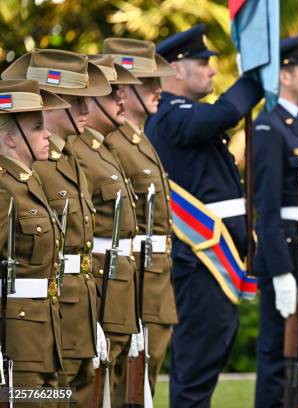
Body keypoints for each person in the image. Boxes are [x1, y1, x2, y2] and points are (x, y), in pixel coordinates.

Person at [144, 23, 263, 407]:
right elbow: (222, 115)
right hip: (198, 264)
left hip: (212, 265)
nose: (212, 70)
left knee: (205, 366)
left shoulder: (185, 114)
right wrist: (254, 81)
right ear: (176, 69)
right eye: (203, 62)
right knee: (194, 373)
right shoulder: (168, 115)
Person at [2, 48, 112, 407]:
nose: (86, 110)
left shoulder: (42, 170)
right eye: (36, 127)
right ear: (9, 138)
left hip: (52, 328)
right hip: (22, 337)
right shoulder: (9, 183)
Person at [252, 33, 298, 408]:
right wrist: (280, 272)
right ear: (283, 75)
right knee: (276, 355)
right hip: (285, 254)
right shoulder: (270, 126)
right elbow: (265, 209)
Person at [101, 37, 178, 394]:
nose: (158, 89)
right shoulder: (113, 142)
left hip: (155, 275)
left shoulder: (138, 139)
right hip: (136, 276)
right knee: (125, 386)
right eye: (148, 82)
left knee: (142, 383)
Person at [69, 54, 141, 406]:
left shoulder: (101, 150)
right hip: (97, 281)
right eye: (113, 93)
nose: (121, 100)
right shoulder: (76, 150)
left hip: (119, 283)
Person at [0, 79, 69, 400]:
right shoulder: (3, 189)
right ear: (10, 138)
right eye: (37, 127)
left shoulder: (30, 183)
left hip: (46, 331)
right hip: (16, 340)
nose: (48, 135)